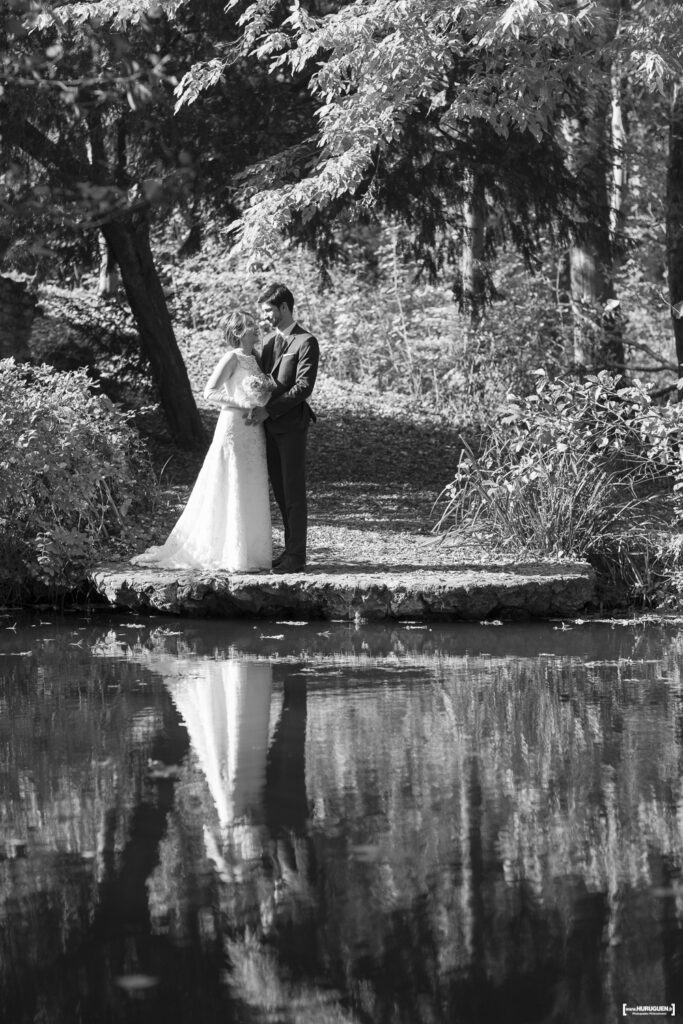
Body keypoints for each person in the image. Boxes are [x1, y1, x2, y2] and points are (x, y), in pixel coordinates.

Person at [131, 310, 274, 573]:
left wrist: (261, 400)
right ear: (239, 332)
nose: (256, 328)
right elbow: (209, 392)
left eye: (255, 324)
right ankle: (229, 552)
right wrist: (241, 402)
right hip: (233, 426)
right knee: (230, 482)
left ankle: (252, 552)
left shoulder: (257, 358)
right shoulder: (231, 358)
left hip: (254, 429)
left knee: (251, 483)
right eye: (250, 325)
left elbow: (264, 388)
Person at [247, 283, 319, 573]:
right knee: (279, 490)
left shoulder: (306, 342)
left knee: (293, 491)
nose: (265, 316)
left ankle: (297, 556)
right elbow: (261, 379)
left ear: (284, 308)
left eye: (268, 310)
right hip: (267, 428)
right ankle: (288, 551)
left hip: (290, 426)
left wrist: (269, 410)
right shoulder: (266, 342)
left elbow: (303, 387)